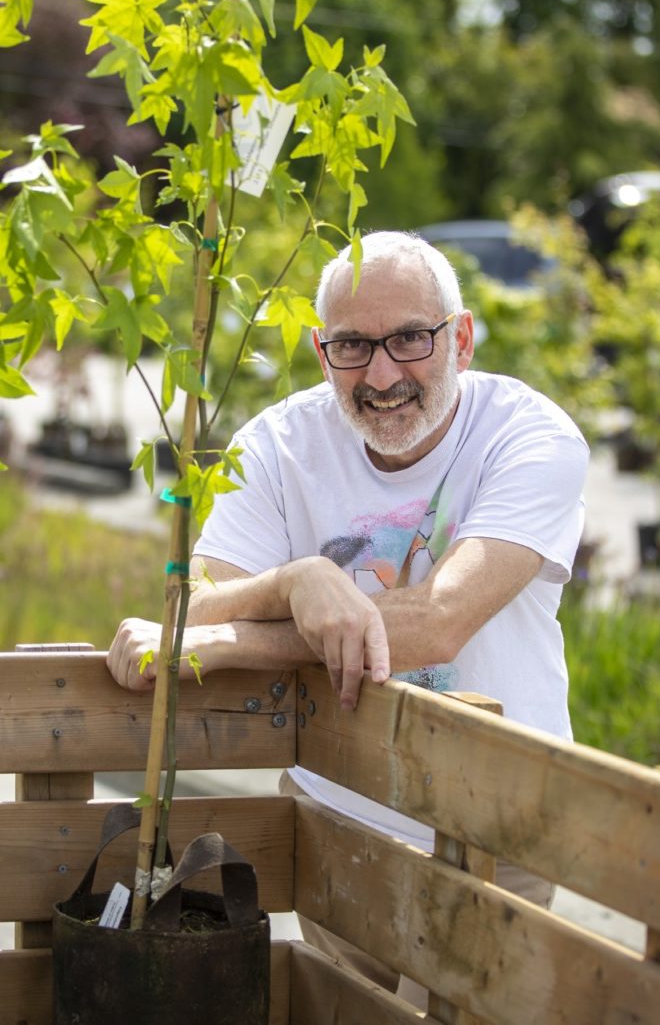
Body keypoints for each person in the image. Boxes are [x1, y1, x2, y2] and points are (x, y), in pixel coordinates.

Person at [106, 230, 589, 944]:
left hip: (497, 822)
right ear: (320, 350)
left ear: (461, 340)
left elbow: (438, 621)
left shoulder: (530, 438)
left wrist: (236, 637)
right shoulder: (277, 446)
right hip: (338, 815)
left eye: (410, 340)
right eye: (353, 347)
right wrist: (300, 581)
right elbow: (196, 609)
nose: (382, 373)